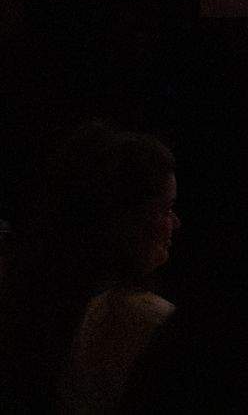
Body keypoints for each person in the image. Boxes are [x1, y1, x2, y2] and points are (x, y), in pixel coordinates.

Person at [0, 121, 180, 414]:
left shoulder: (30, 303)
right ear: (124, 221)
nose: (175, 223)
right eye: (165, 209)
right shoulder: (140, 317)